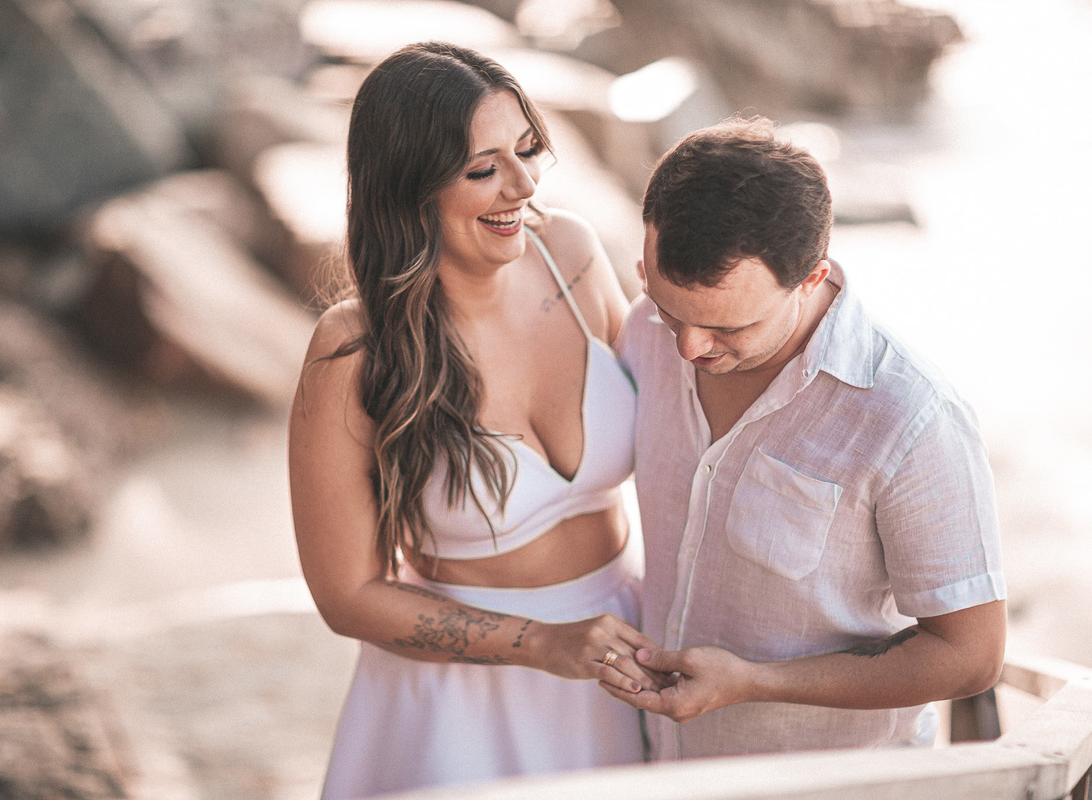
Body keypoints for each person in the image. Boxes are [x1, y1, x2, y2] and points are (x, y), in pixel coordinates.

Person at [287, 42, 655, 798]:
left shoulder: (571, 253)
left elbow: (687, 428)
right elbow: (346, 595)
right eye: (483, 169)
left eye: (526, 150)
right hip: (462, 706)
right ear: (410, 188)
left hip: (623, 654)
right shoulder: (354, 351)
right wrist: (540, 644)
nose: (523, 185)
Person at [605, 115, 1007, 759]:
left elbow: (972, 656)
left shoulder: (912, 417)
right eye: (669, 309)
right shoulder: (645, 330)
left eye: (728, 329)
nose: (688, 347)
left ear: (812, 278)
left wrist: (754, 683)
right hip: (660, 765)